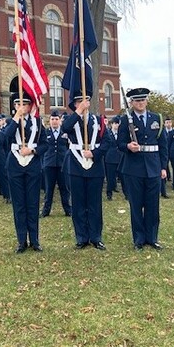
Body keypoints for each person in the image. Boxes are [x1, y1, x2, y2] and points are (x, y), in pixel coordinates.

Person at [118, 88, 167, 250]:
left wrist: (163, 167)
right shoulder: (126, 120)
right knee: (136, 205)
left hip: (153, 167)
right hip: (134, 168)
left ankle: (152, 238)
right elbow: (119, 143)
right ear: (131, 103)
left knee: (153, 205)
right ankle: (139, 239)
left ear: (146, 101)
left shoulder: (156, 118)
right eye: (136, 101)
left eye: (142, 100)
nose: (140, 103)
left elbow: (163, 145)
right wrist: (127, 146)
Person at [62, 90, 111, 250]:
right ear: (74, 104)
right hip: (75, 167)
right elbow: (65, 128)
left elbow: (106, 142)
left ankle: (96, 237)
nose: (82, 104)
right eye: (78, 102)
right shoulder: (71, 120)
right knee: (78, 204)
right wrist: (78, 111)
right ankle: (81, 237)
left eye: (85, 101)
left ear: (89, 103)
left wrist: (94, 153)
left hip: (95, 167)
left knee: (94, 204)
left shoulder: (99, 121)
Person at [3, 93, 47, 253]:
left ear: (30, 106)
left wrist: (33, 150)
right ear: (14, 106)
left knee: (32, 203)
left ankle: (34, 240)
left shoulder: (38, 123)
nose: (22, 107)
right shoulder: (10, 122)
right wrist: (16, 118)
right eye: (18, 104)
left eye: (25, 104)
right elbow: (4, 138)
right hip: (15, 165)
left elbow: (45, 144)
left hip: (32, 165)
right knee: (19, 205)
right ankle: (22, 240)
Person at [41, 111, 72, 216]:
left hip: (62, 164)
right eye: (52, 119)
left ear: (60, 121)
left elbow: (69, 147)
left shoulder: (65, 132)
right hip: (49, 164)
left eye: (56, 119)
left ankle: (68, 209)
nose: (54, 121)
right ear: (49, 121)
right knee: (49, 189)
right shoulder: (45, 133)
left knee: (64, 188)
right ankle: (46, 210)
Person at [105, 116, 124, 200]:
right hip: (110, 157)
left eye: (118, 124)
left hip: (120, 157)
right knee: (110, 177)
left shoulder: (121, 133)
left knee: (123, 176)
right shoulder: (108, 133)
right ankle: (109, 194)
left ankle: (126, 193)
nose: (116, 126)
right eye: (115, 124)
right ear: (111, 124)